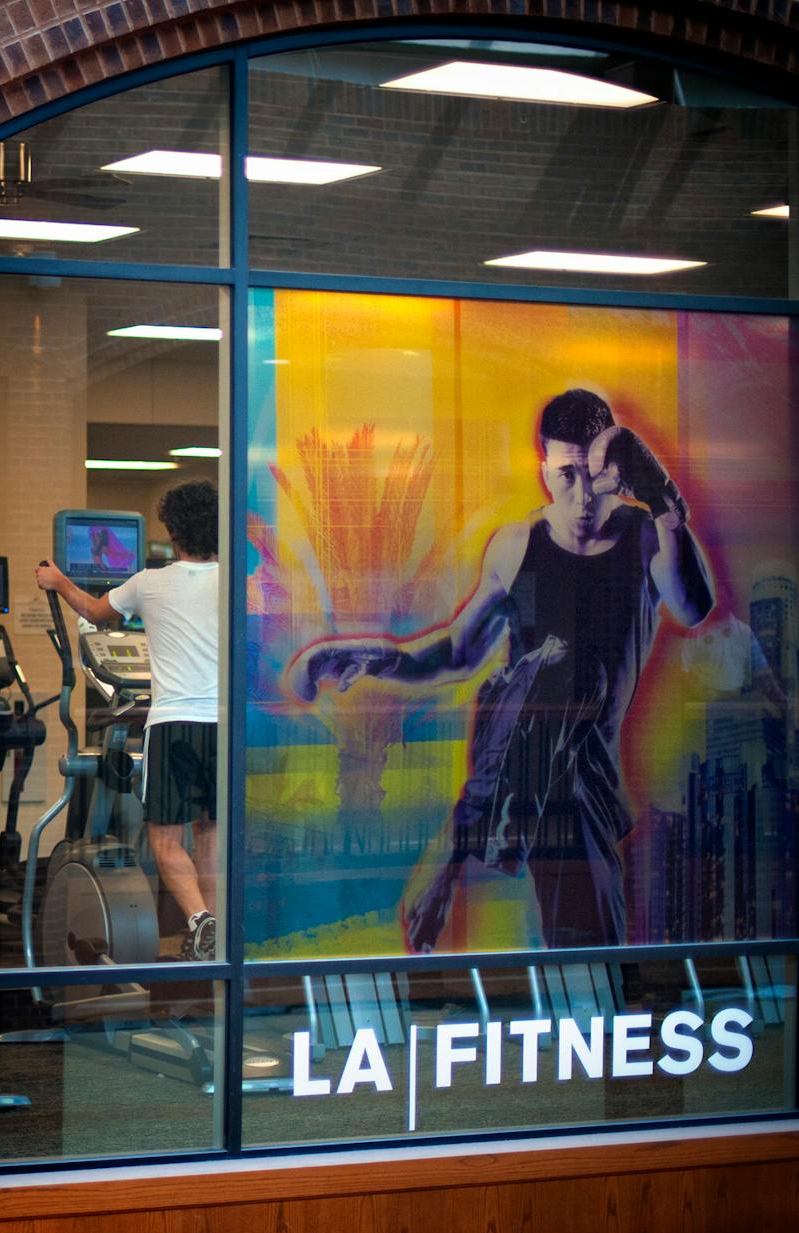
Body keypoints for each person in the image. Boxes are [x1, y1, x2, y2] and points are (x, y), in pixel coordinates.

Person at [288, 389, 714, 951]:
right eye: (567, 475)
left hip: (584, 784)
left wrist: (663, 502)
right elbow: (458, 655)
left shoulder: (643, 537)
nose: (583, 496)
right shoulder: (517, 547)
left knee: (588, 955)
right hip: (517, 780)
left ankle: (460, 849)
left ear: (615, 473)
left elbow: (692, 606)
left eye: (594, 476)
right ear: (544, 470)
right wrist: (373, 654)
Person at [37, 481, 222, 961]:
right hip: (224, 725)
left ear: (173, 531)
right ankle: (217, 934)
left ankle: (200, 921)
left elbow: (97, 614)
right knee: (211, 833)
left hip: (174, 723)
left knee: (164, 836)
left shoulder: (148, 583)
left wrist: (58, 582)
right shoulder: (236, 583)